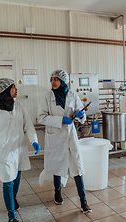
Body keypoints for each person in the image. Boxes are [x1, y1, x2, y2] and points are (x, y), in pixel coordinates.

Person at [0, 78, 41, 222]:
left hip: (19, 149)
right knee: (8, 182)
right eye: (13, 87)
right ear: (4, 90)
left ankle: (13, 198)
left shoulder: (19, 106)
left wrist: (34, 140)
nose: (16, 89)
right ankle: (11, 217)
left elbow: (28, 125)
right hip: (3, 152)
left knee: (16, 177)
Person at [37, 70, 92, 213]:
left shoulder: (73, 95)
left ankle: (83, 201)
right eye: (51, 79)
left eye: (56, 79)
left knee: (77, 167)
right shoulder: (48, 97)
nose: (53, 82)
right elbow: (41, 117)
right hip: (55, 136)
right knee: (57, 166)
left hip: (70, 136)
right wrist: (60, 120)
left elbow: (82, 116)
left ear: (63, 81)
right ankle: (57, 192)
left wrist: (80, 115)